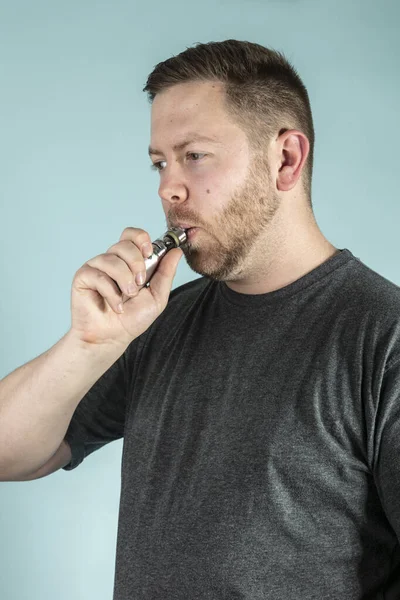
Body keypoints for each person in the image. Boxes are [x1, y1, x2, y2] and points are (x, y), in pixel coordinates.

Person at [1, 39, 400, 599]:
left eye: (194, 155)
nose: (168, 187)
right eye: (160, 162)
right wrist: (88, 343)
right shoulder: (158, 322)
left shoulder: (385, 337)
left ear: (286, 159)